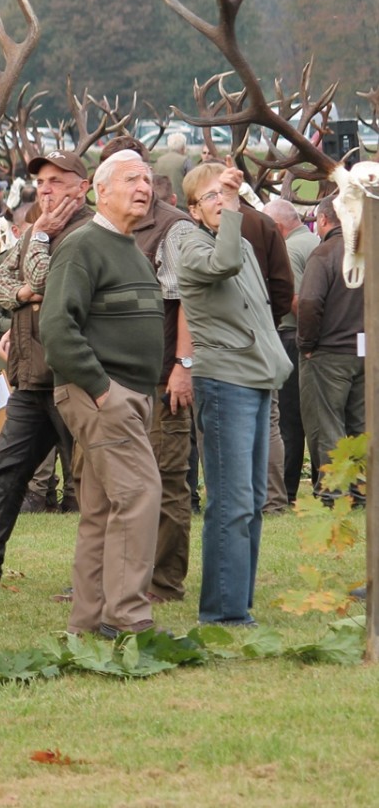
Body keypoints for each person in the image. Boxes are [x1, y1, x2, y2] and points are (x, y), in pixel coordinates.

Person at [0, 150, 94, 588]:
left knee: (90, 481)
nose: (45, 189)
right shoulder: (37, 229)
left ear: (82, 188)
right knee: (7, 469)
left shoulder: (89, 233)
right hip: (30, 376)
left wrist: (35, 261)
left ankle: (95, 575)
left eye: (57, 181)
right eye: (42, 182)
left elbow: (52, 284)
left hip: (74, 377)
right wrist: (28, 287)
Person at [41, 150, 164, 637]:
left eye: (149, 180)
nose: (145, 187)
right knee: (139, 495)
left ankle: (88, 623)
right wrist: (100, 389)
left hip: (127, 396)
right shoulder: (82, 245)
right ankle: (128, 618)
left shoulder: (129, 247)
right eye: (132, 178)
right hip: (103, 396)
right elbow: (55, 327)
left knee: (102, 510)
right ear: (100, 189)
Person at [177, 162, 291, 625]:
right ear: (192, 208)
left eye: (227, 196)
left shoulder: (238, 239)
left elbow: (261, 310)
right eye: (212, 198)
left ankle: (238, 603)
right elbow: (223, 263)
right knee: (231, 501)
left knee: (254, 499)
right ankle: (222, 613)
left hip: (256, 376)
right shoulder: (188, 244)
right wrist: (230, 210)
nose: (223, 205)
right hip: (224, 382)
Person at [99, 134, 198, 606]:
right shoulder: (107, 229)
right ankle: (110, 580)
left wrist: (183, 365)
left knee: (166, 480)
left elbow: (189, 304)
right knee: (110, 484)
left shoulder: (173, 228)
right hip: (113, 379)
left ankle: (164, 583)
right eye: (123, 178)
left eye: (139, 176)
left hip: (161, 377)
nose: (134, 186)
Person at [297, 196, 365, 501]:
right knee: (361, 426)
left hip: (329, 353)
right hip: (366, 353)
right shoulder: (369, 251)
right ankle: (363, 491)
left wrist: (306, 344)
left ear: (323, 220)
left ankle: (336, 493)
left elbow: (309, 302)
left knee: (329, 425)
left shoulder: (323, 253)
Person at [265, 198, 320, 502]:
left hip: (295, 338)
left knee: (288, 420)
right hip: (324, 341)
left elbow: (295, 299)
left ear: (277, 227)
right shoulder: (315, 240)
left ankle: (285, 490)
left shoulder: (288, 249)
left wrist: (310, 336)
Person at [155, 131, 194, 207]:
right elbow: (192, 183)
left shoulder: (159, 160)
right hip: (180, 204)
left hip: (160, 202)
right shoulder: (185, 161)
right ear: (183, 147)